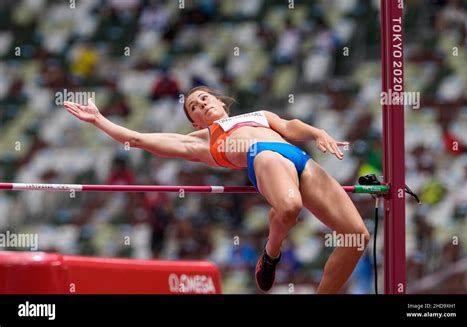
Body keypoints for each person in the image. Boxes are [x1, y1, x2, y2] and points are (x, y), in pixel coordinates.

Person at [64, 85, 370, 294]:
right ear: (194, 120)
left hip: (300, 159)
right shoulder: (203, 140)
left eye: (204, 99)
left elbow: (290, 127)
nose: (201, 105)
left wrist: (317, 133)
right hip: (264, 157)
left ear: (221, 101)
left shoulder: (260, 115)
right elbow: (140, 139)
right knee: (289, 208)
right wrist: (100, 121)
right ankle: (271, 252)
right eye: (193, 107)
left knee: (357, 236)